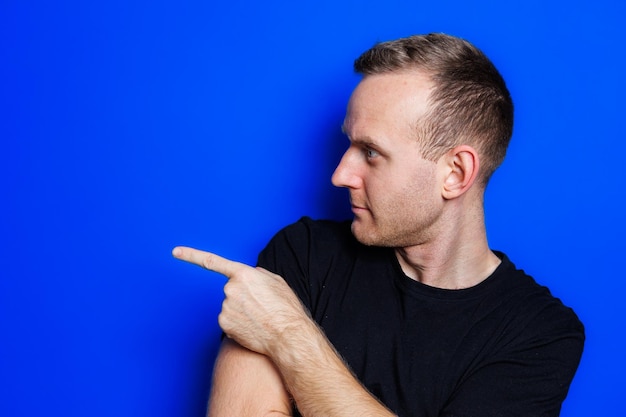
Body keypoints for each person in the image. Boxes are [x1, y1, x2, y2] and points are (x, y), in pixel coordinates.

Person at [173, 33, 584, 417]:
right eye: (349, 143)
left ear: (456, 173)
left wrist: (285, 334)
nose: (340, 174)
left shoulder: (540, 333)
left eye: (370, 152)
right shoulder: (304, 254)